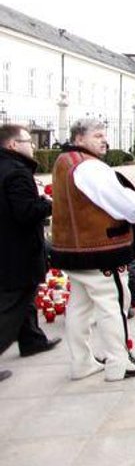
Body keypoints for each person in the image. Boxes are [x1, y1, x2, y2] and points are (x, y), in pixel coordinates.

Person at [49, 118, 135, 381]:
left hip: (74, 251)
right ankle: (119, 362)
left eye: (104, 135)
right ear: (79, 139)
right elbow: (129, 207)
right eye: (97, 135)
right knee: (113, 304)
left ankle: (82, 362)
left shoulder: (64, 162)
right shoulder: (89, 167)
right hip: (101, 250)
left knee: (80, 308)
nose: (104, 140)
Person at [0, 124, 60, 383]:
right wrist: (48, 205)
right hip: (16, 249)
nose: (32, 145)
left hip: (7, 246)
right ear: (13, 145)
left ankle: (31, 339)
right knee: (13, 301)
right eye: (27, 140)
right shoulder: (16, 172)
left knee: (24, 295)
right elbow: (25, 212)